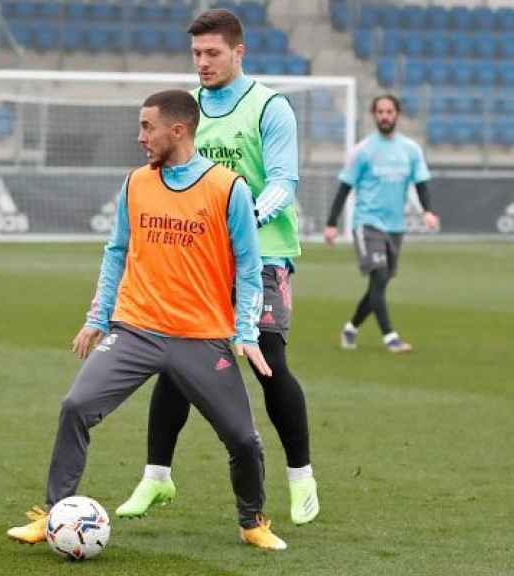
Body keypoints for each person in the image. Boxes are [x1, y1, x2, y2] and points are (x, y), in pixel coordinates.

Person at [6, 89, 287, 550]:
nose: (140, 137)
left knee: (243, 439)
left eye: (146, 127)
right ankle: (56, 513)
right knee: (76, 406)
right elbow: (116, 252)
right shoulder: (136, 183)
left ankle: (252, 521)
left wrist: (245, 331)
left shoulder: (228, 188)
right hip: (136, 329)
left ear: (177, 130)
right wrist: (99, 317)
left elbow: (250, 266)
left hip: (201, 337)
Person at [116, 8, 319, 526]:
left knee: (267, 359)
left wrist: (245, 217)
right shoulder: (187, 110)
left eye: (212, 53)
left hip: (264, 253)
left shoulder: (269, 107)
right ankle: (156, 478)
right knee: (175, 361)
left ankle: (301, 477)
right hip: (200, 259)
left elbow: (283, 182)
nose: (203, 63)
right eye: (196, 54)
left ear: (238, 52)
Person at [323, 94, 439, 353]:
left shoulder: (411, 149)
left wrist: (428, 211)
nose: (385, 116)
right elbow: (344, 188)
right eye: (380, 112)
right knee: (378, 276)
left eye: (389, 111)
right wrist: (331, 223)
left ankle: (351, 328)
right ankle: (390, 337)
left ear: (397, 114)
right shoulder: (363, 151)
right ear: (374, 115)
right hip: (367, 223)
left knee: (380, 283)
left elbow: (421, 184)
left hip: (395, 226)